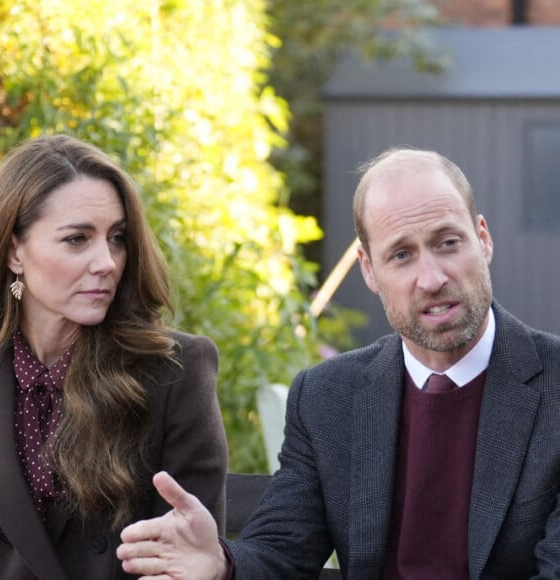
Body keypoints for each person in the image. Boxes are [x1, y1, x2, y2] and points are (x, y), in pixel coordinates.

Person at [116, 146, 560, 579]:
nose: (431, 278)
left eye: (447, 243)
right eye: (401, 255)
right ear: (368, 269)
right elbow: (282, 550)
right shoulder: (328, 396)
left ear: (482, 239)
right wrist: (219, 565)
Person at [0, 134, 228, 580]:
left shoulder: (173, 371)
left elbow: (186, 556)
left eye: (116, 238)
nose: (107, 262)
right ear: (16, 251)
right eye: (77, 239)